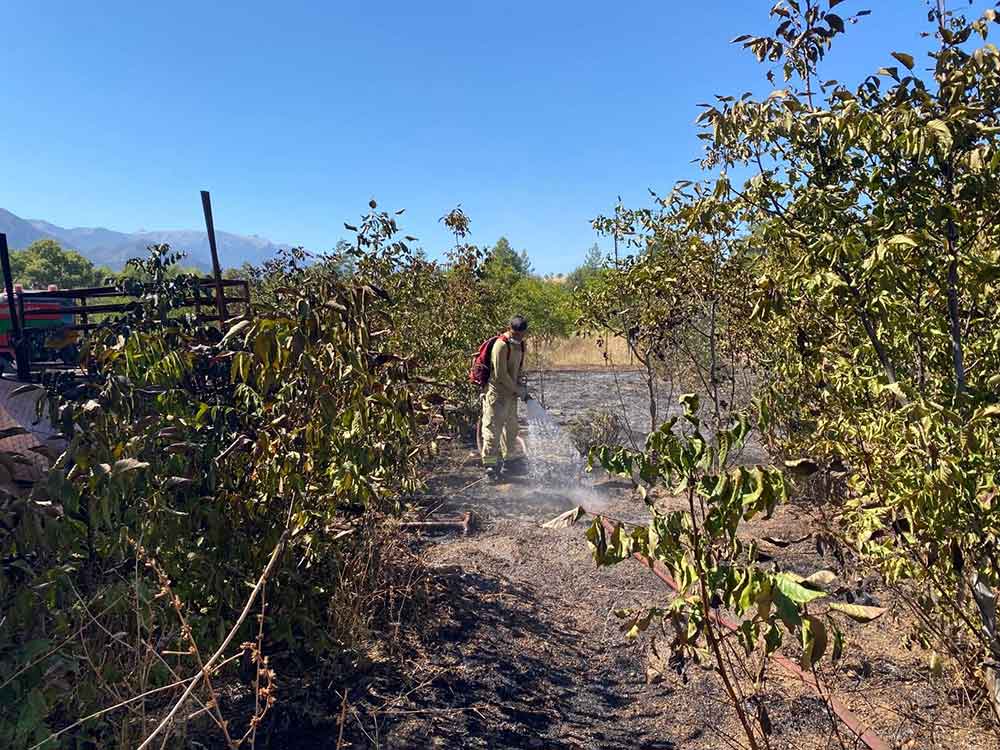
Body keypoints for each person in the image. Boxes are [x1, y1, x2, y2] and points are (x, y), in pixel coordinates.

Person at [481, 315, 530, 481]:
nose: (519, 337)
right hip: (497, 395)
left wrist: (521, 386)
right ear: (510, 329)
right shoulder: (501, 346)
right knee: (492, 433)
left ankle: (508, 463)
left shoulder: (521, 345)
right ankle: (490, 466)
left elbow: (518, 369)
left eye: (521, 334)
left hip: (511, 396)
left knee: (511, 431)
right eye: (516, 334)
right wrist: (517, 389)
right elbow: (500, 374)